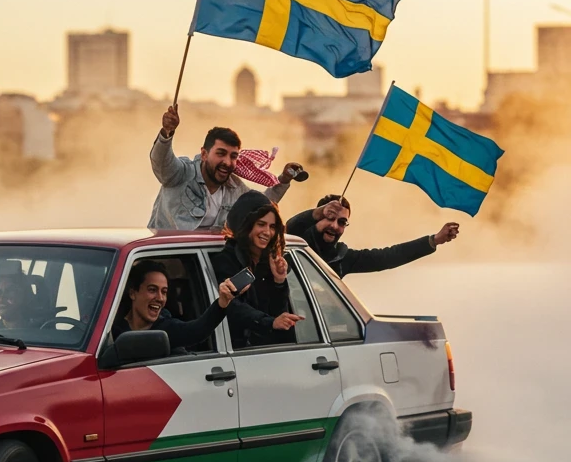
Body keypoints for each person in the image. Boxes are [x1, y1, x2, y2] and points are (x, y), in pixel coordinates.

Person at [148, 104, 308, 231]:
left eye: (233, 156)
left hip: (205, 259)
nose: (227, 162)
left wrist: (284, 179)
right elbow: (161, 161)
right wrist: (167, 132)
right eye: (221, 154)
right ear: (204, 154)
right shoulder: (182, 173)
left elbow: (261, 205)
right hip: (165, 255)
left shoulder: (234, 187)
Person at [211, 190, 304, 347]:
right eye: (261, 224)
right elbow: (232, 306)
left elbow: (279, 314)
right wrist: (269, 322)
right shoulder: (226, 261)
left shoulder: (271, 262)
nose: (267, 232)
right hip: (237, 349)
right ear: (245, 225)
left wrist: (279, 282)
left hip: (270, 348)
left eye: (272, 226)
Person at [286, 195, 461, 277]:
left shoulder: (341, 258)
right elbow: (289, 228)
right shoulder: (295, 242)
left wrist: (434, 240)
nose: (334, 226)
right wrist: (317, 212)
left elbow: (387, 257)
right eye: (329, 218)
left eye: (342, 222)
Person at [110, 258, 244, 352]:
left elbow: (197, 330)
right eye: (152, 290)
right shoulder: (111, 328)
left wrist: (222, 302)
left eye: (164, 292)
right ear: (133, 293)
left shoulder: (167, 329)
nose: (160, 298)